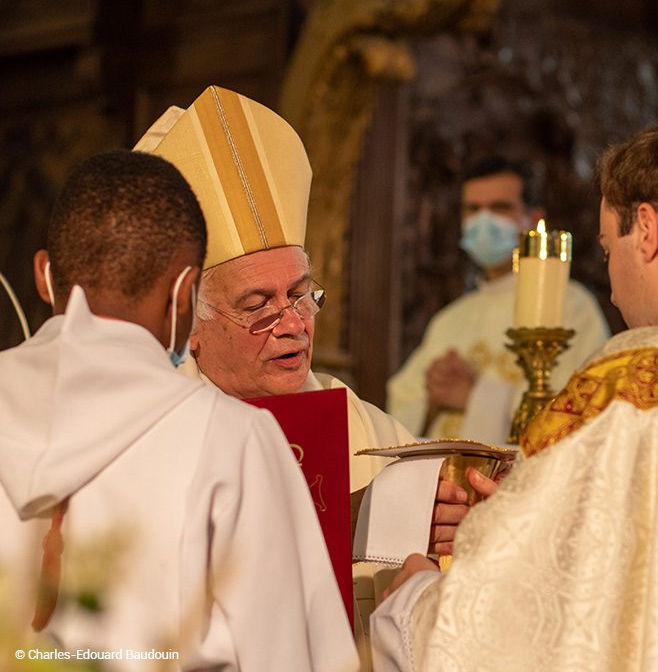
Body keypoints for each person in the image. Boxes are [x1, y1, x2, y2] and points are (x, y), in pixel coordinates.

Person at [371, 112, 658, 671]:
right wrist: (559, 516)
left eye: (606, 247)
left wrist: (413, 599)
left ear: (646, 230)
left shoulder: (638, 380)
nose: (614, 285)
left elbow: (496, 631)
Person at [133, 85, 459, 668]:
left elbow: (432, 554)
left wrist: (451, 522)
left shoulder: (356, 422)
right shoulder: (151, 429)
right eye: (258, 303)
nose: (294, 324)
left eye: (301, 294)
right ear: (192, 324)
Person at [0, 150, 357, 670]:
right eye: (257, 304)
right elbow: (290, 656)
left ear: (43, 275)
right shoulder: (232, 438)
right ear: (186, 293)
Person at [386, 156, 610, 444]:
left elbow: (584, 408)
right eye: (473, 209)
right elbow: (400, 404)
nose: (484, 220)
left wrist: (474, 396)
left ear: (534, 219)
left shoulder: (573, 306)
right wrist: (432, 400)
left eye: (500, 208)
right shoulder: (450, 319)